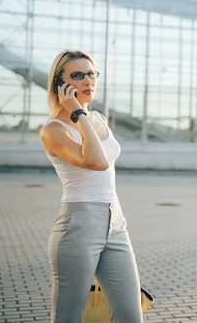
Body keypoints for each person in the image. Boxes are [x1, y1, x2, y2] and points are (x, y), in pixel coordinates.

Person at [40, 49, 144, 323]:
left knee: (131, 317)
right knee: (68, 318)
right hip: (77, 228)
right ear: (59, 84)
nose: (88, 81)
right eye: (77, 75)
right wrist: (77, 113)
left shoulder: (98, 119)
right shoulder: (53, 131)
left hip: (116, 224)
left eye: (91, 74)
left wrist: (83, 115)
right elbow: (97, 162)